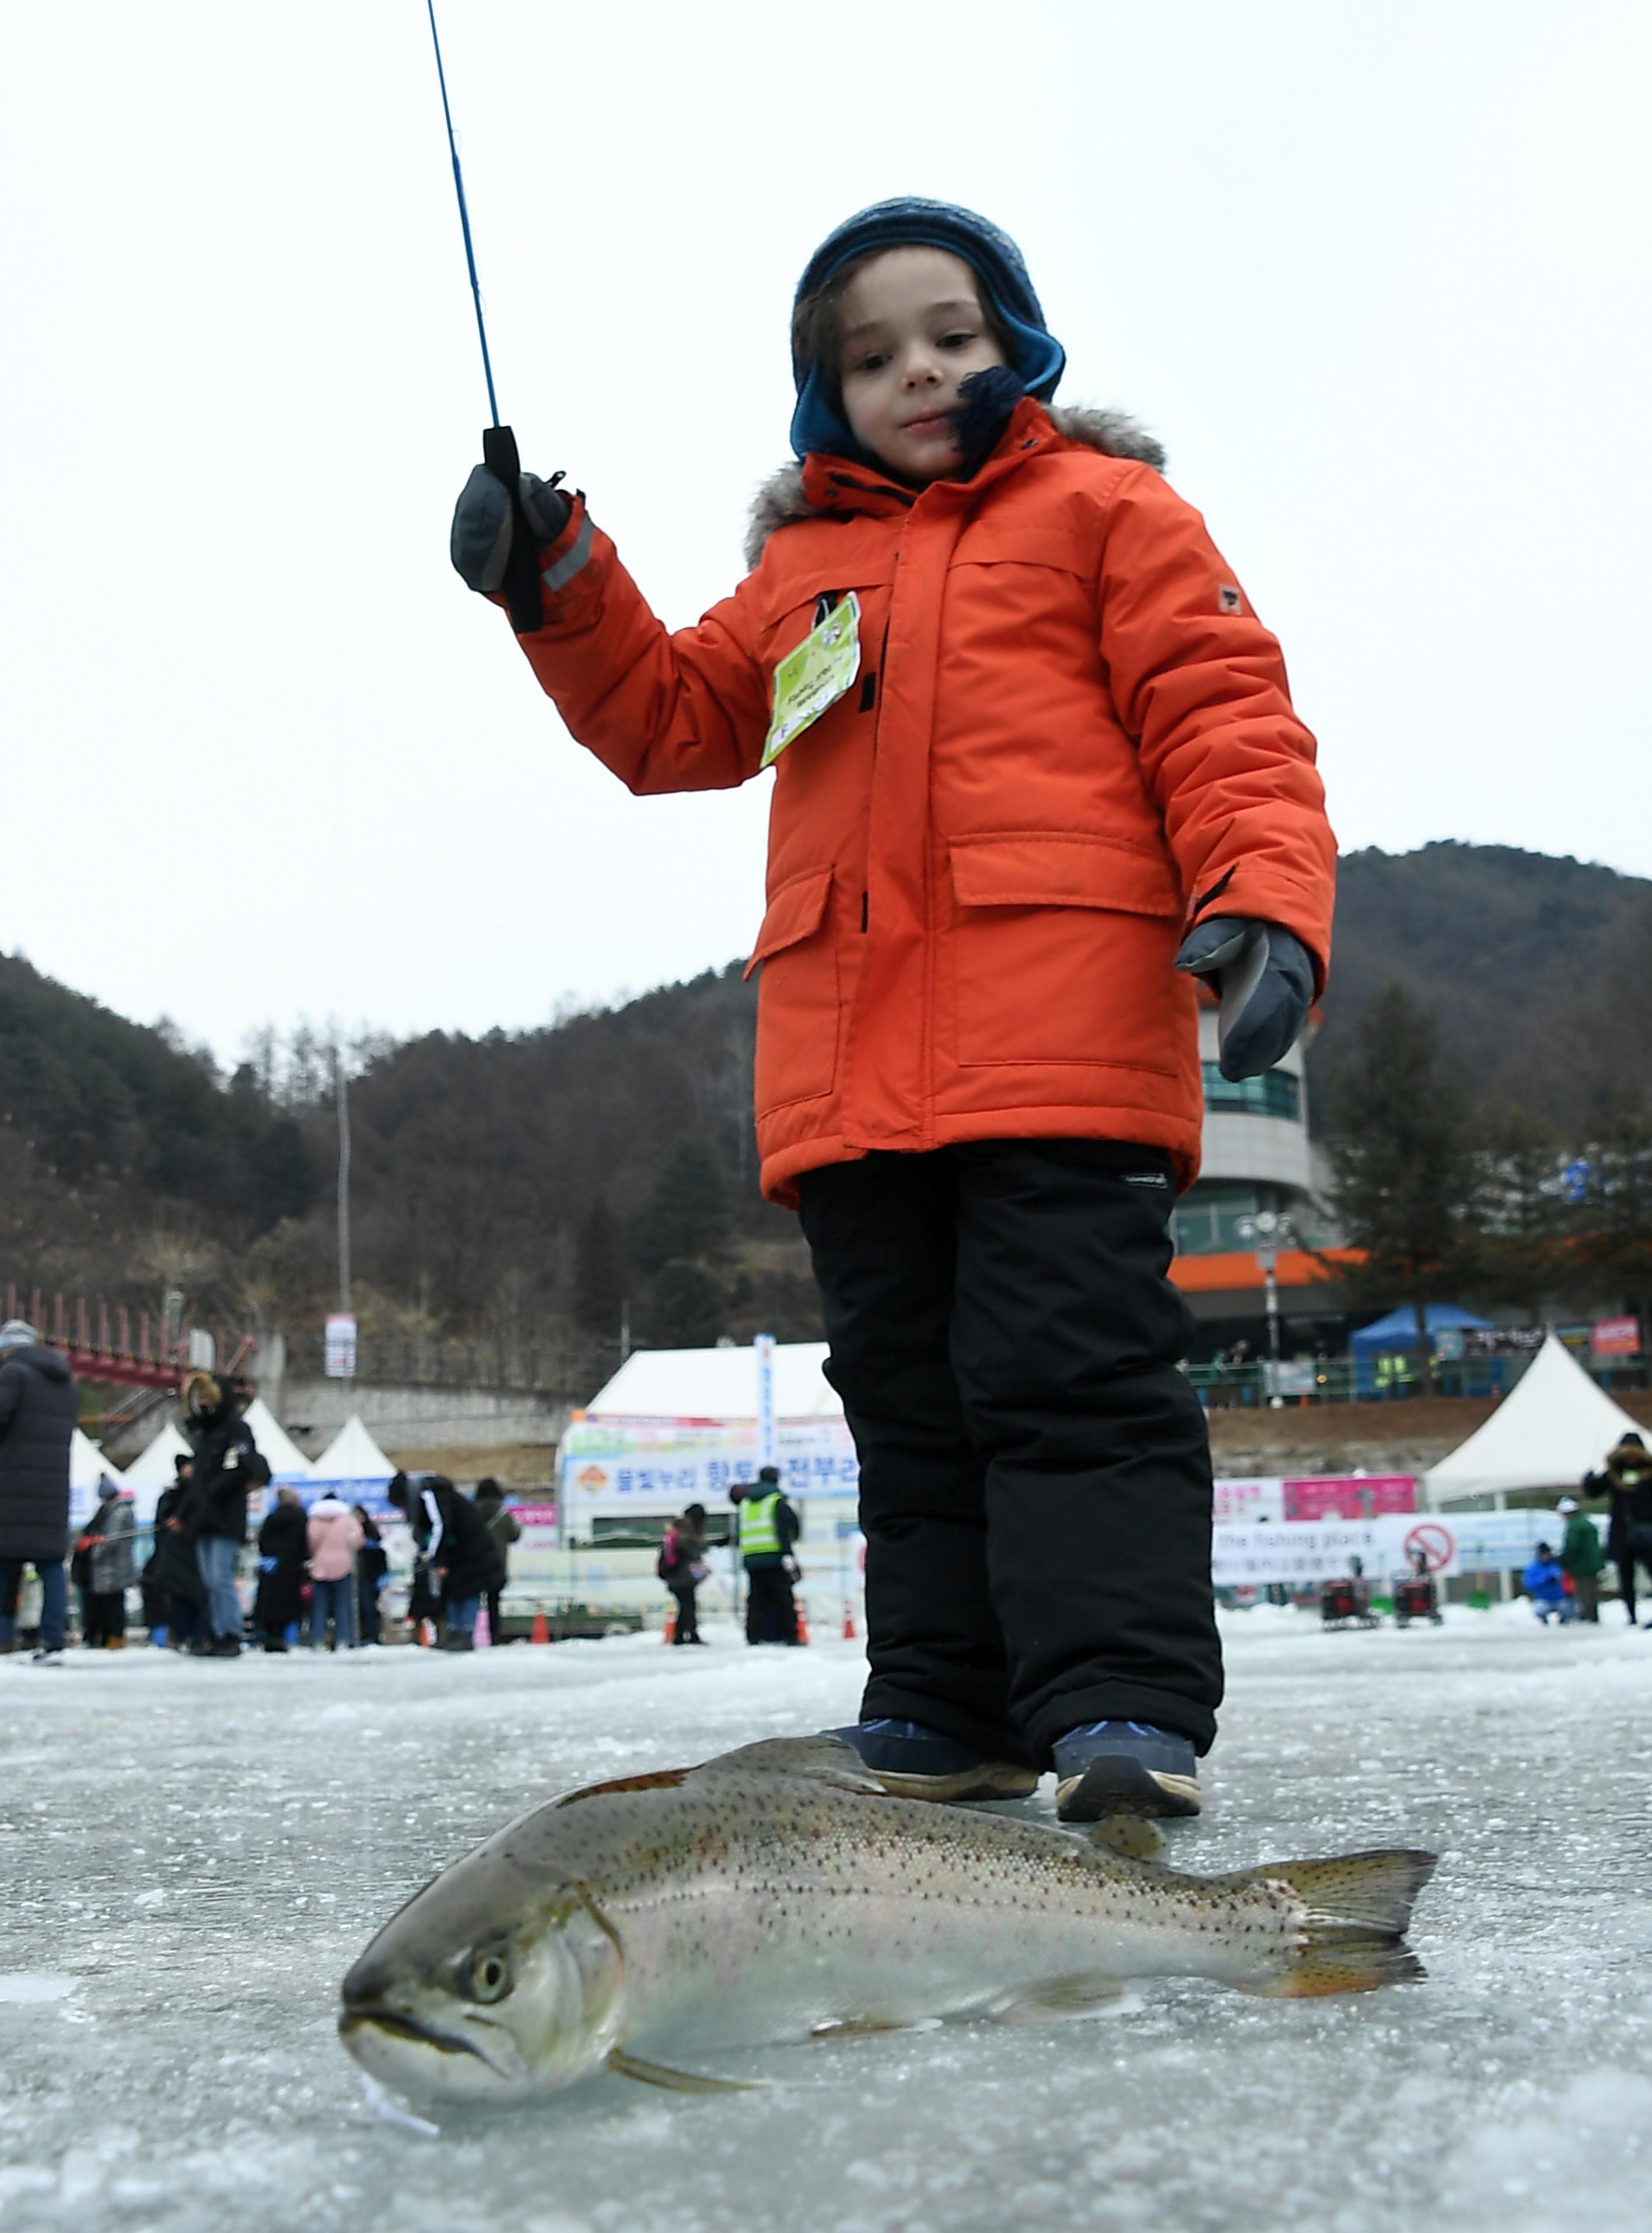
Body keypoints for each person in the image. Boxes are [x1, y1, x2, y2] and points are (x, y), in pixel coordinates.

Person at [449, 198, 1335, 1817]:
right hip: (849, 1074)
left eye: (953, 335)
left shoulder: (1111, 513)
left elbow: (1225, 718)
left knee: (1070, 1382)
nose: (918, 371)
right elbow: (670, 721)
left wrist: (1265, 901)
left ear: (1020, 347)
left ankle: (1122, 1703)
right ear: (824, 394)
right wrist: (557, 580)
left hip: (1061, 1042)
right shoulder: (801, 573)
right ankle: (946, 1701)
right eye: (872, 356)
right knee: (911, 1403)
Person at [0, 1317, 78, 1664]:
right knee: (51, 1566)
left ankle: (3, 1637)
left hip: (11, 1487)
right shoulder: (66, 1383)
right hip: (52, 1492)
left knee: (5, 1566)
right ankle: (54, 1639)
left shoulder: (13, 1374)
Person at [181, 1373, 270, 1657]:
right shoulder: (203, 1434)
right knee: (209, 1580)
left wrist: (218, 1489)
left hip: (224, 1514)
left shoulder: (236, 1430)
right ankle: (218, 1632)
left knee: (220, 1577)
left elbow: (245, 1466)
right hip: (204, 1515)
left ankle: (230, 1633)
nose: (204, 1403)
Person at [386, 1472, 503, 1651]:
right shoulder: (423, 1501)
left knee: (468, 1589)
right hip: (456, 1551)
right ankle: (454, 1632)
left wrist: (436, 1559)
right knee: (451, 1590)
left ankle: (465, 1632)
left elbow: (440, 1526)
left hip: (471, 1549)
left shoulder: (430, 1495)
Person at [1583, 1431, 1652, 1625]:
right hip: (1624, 1534)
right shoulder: (1614, 1473)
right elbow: (1595, 1490)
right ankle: (1632, 1616)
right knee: (1626, 1577)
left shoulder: (1647, 1473)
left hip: (1646, 1531)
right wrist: (1589, 1481)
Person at [731, 1468, 800, 1645]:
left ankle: (753, 1636)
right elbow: (785, 1528)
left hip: (751, 1557)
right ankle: (790, 1636)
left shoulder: (745, 1503)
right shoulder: (775, 1501)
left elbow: (740, 1532)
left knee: (756, 1599)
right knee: (783, 1598)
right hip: (774, 1556)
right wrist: (788, 1553)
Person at [146, 1455, 205, 1648]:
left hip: (191, 1555)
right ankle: (184, 1635)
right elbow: (163, 1527)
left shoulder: (198, 1495)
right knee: (179, 1597)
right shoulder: (173, 1496)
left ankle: (195, 1634)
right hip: (175, 1556)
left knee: (195, 1596)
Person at [76, 1474, 137, 1647]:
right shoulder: (113, 1510)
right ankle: (109, 1637)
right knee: (108, 1604)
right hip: (108, 1568)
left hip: (111, 1568)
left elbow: (111, 1539)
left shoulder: (118, 1512)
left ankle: (115, 1637)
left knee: (113, 1604)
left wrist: (94, 1550)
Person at [252, 1486, 309, 1650]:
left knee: (269, 1602)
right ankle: (284, 1637)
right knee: (288, 1603)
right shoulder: (300, 1516)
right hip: (291, 1567)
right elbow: (303, 1542)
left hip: (271, 1568)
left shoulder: (271, 1518)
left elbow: (262, 1541)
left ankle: (270, 1636)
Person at [306, 1492, 364, 1650]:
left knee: (319, 1606)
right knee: (343, 1606)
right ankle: (342, 1640)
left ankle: (318, 1640)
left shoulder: (314, 1520)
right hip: (343, 1565)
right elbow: (357, 1541)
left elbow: (311, 1543)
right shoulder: (348, 1520)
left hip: (320, 1565)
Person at [473, 1478, 520, 1643]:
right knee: (494, 1602)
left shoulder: (472, 1512)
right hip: (497, 1564)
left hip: (475, 1563)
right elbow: (515, 1535)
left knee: (472, 1601)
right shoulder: (503, 1513)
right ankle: (494, 1635)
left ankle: (468, 1633)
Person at [658, 1502, 709, 1644]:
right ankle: (691, 1635)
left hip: (676, 1575)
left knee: (686, 1605)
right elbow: (693, 1549)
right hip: (682, 1576)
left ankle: (680, 1636)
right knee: (689, 1605)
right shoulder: (687, 1530)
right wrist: (702, 1544)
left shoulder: (677, 1529)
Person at [1556, 1494, 1604, 1625]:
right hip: (1593, 1563)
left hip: (1581, 1565)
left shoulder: (1574, 1526)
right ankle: (1593, 1615)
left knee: (1584, 1592)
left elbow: (1573, 1546)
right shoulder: (1586, 1522)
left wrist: (1565, 1560)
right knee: (1592, 1591)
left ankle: (1587, 1616)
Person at [355, 1507, 389, 1646]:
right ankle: (363, 1634)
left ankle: (372, 1634)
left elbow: (380, 1555)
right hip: (359, 1575)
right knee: (360, 1607)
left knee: (369, 1606)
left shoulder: (371, 1533)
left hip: (369, 1575)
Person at [1522, 1541, 1572, 1624]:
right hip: (1543, 1599)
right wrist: (1544, 1581)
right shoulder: (1533, 1568)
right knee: (1540, 1610)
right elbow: (1529, 1584)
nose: (1546, 1556)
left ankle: (1564, 1619)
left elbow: (1567, 1580)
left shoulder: (1557, 1565)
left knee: (1568, 1609)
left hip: (1560, 1598)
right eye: (1543, 1554)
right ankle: (1544, 1619)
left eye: (1547, 1554)